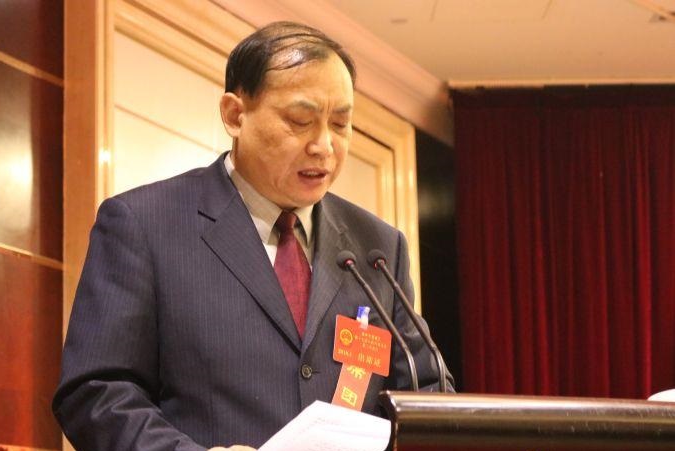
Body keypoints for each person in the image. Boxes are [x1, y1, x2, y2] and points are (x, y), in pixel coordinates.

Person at [52, 21, 453, 451]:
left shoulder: (377, 247)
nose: (324, 146)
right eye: (300, 121)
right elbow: (96, 392)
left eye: (340, 124)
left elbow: (424, 393)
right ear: (234, 115)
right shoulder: (144, 224)